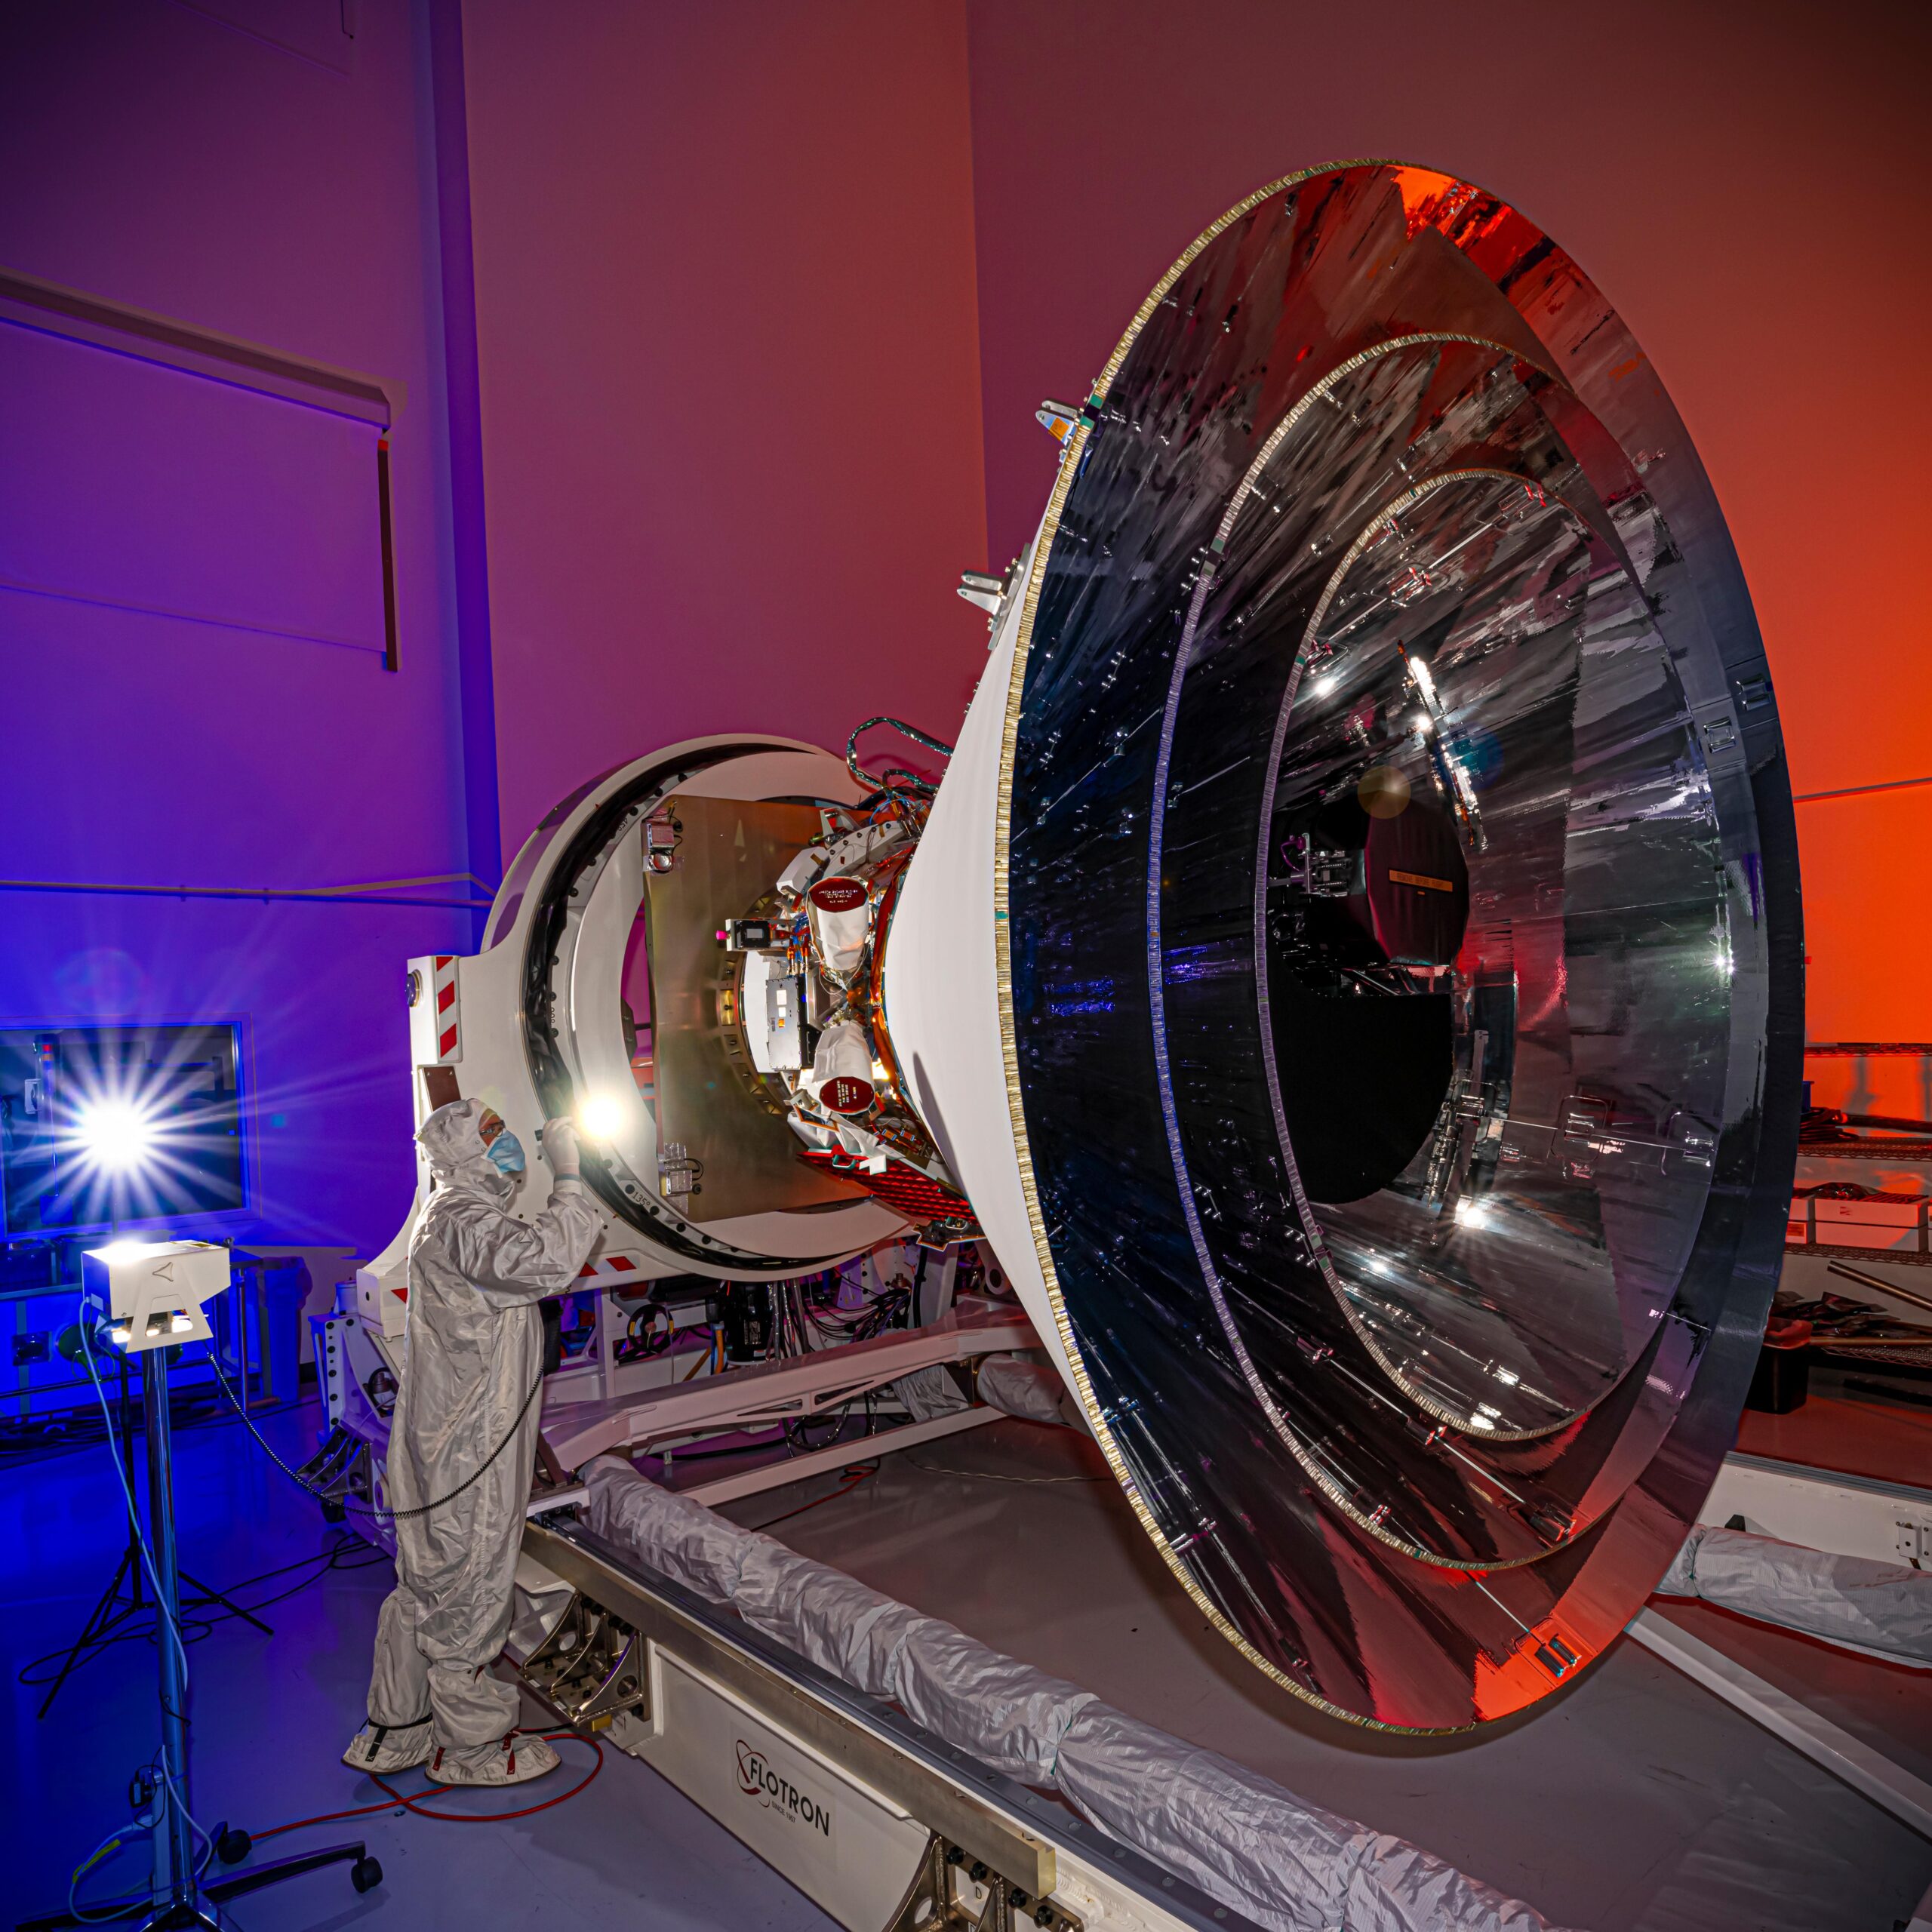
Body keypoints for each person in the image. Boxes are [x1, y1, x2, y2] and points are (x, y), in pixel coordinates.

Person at [341, 1097, 603, 1786]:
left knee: (423, 1584)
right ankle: (475, 1750)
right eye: (491, 1133)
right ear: (462, 1156)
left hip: (440, 1434)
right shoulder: (463, 1222)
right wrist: (571, 1175)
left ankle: (396, 1728)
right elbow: (547, 1262)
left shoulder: (452, 1216)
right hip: (470, 1445)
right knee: (468, 1586)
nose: (506, 1139)